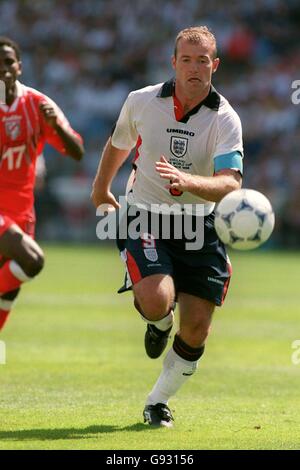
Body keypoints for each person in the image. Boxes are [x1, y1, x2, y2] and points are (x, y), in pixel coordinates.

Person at [91, 26, 243, 428]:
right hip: (145, 214)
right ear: (173, 62)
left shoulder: (225, 118)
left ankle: (157, 401)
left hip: (200, 223)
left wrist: (189, 181)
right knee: (158, 301)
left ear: (216, 65)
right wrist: (101, 188)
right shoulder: (141, 101)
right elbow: (120, 142)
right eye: (187, 59)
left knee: (196, 327)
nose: (194, 68)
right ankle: (158, 323)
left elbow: (231, 182)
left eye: (203, 60)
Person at [0, 37, 84, 331]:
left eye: (8, 62)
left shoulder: (37, 103)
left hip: (23, 212)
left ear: (19, 67)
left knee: (8, 291)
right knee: (32, 260)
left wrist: (59, 127)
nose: (3, 69)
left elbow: (77, 152)